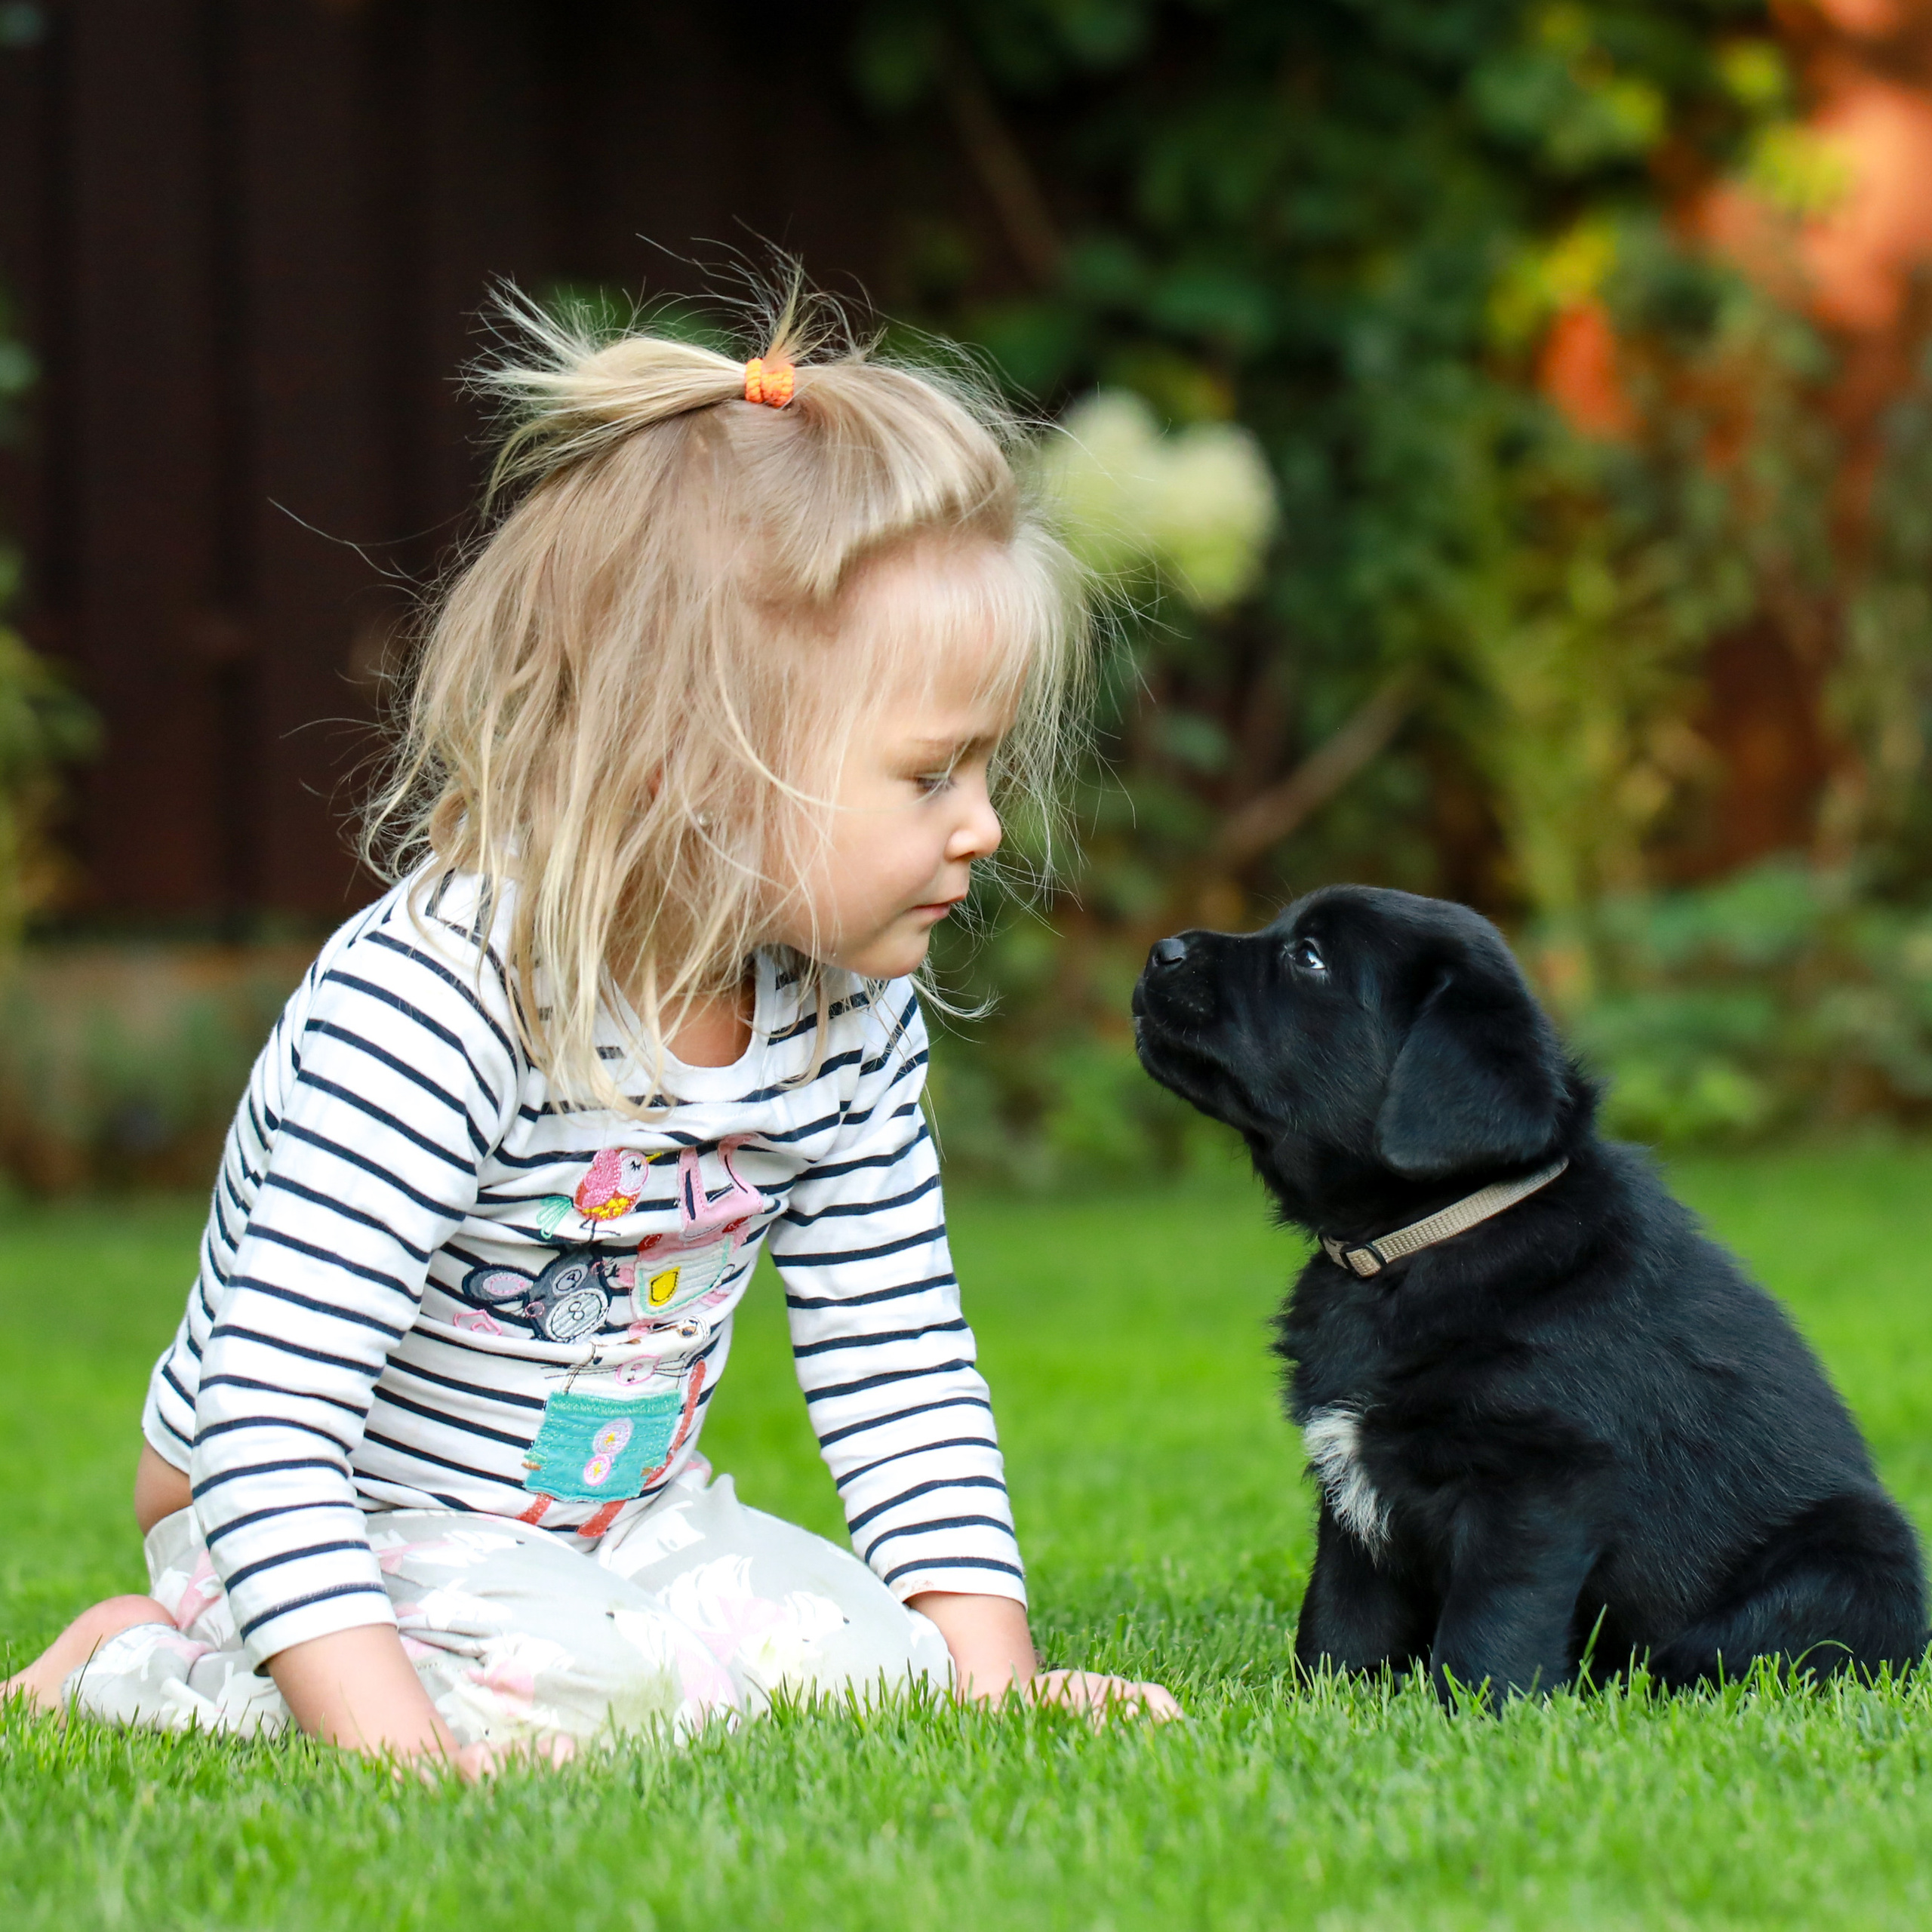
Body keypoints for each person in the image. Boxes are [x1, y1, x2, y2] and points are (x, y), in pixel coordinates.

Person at [3, 300, 1177, 1774]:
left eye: (984, 764)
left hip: (617, 1512)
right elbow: (264, 1424)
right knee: (592, 1697)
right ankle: (138, 1658)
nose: (981, 824)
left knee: (881, 1672)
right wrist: (402, 1759)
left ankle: (585, 1630)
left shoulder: (848, 1007)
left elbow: (902, 1363)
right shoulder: (441, 1002)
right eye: (929, 770)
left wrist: (989, 1683)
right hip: (328, 1510)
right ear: (691, 762)